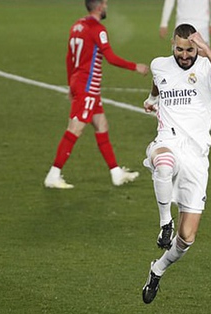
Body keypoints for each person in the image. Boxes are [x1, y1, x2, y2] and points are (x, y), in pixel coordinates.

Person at [141, 23, 211, 304]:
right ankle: (164, 223)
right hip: (167, 141)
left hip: (197, 156)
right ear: (172, 44)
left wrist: (207, 50)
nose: (184, 55)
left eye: (190, 49)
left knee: (187, 237)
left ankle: (157, 270)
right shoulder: (159, 64)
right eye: (179, 49)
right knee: (164, 163)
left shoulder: (208, 68)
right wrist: (152, 99)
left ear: (197, 47)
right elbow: (157, 82)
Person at [44, 0, 149, 189]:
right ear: (99, 6)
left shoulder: (77, 26)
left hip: (79, 82)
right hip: (87, 86)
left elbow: (70, 57)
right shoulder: (97, 29)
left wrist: (70, 84)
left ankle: (116, 173)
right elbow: (110, 57)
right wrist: (135, 67)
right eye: (105, 4)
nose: (107, 7)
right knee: (75, 128)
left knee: (102, 125)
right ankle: (53, 174)